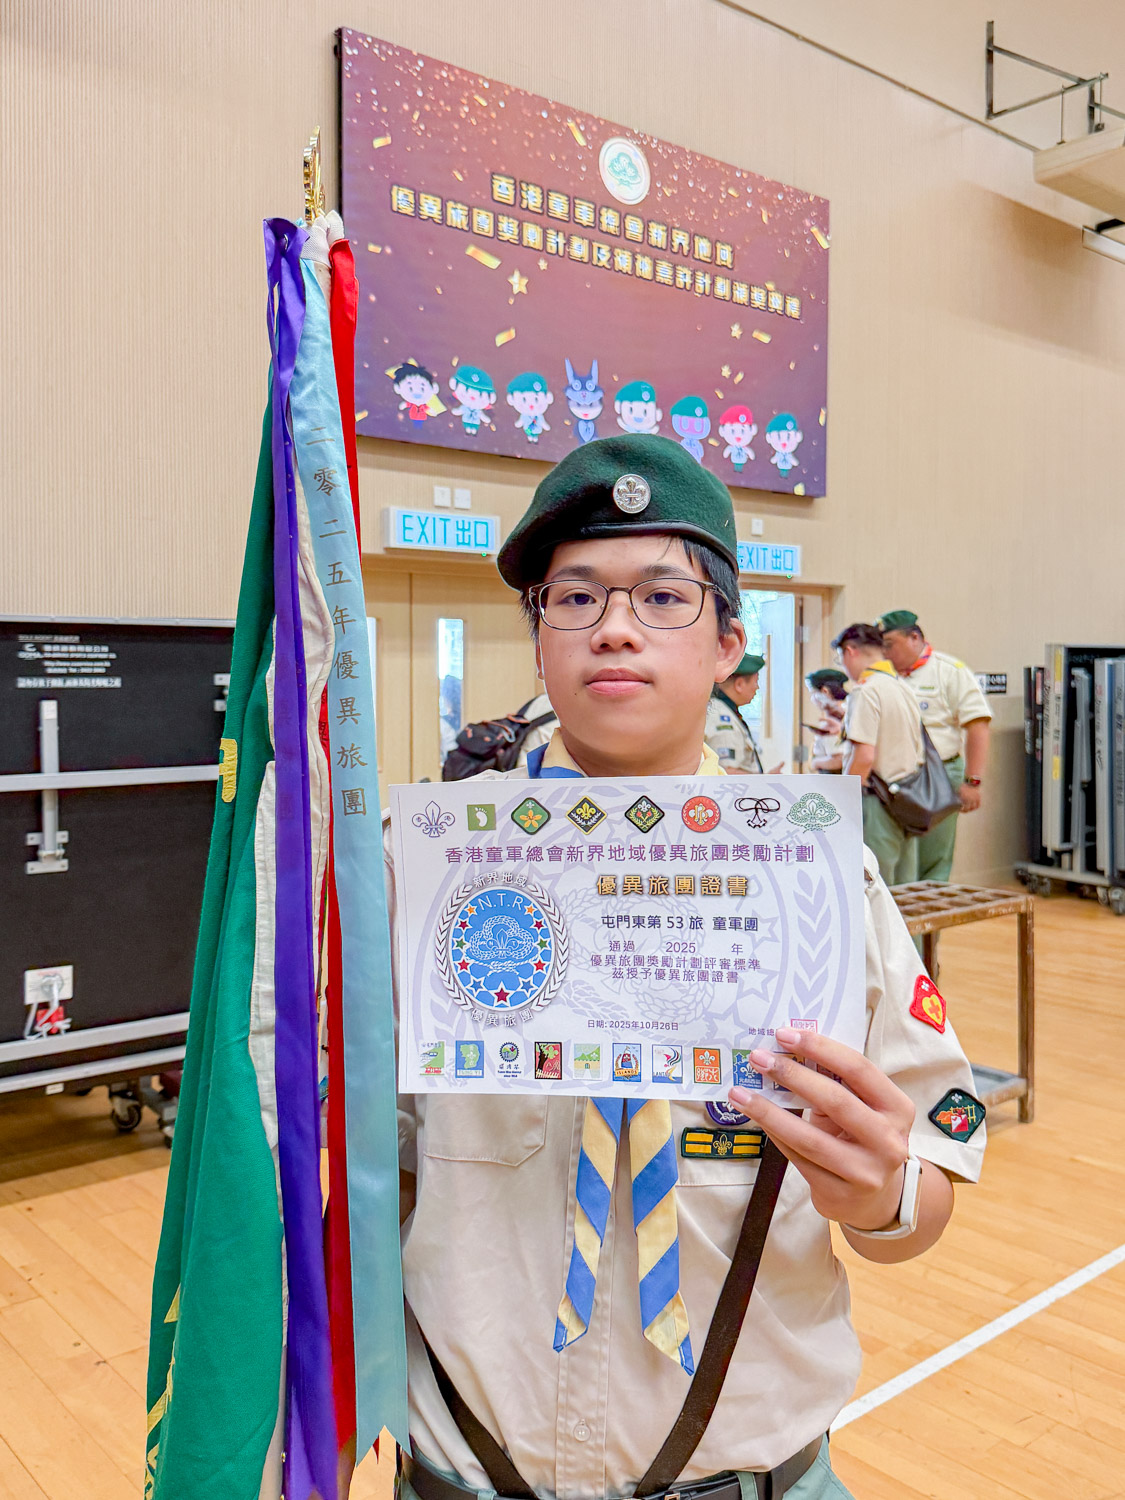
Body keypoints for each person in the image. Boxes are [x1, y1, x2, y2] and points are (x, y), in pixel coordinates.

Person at [392, 437, 985, 1500]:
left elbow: (928, 1188)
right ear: (538, 641)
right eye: (574, 596)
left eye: (663, 596)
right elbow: (370, 1166)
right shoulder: (423, 871)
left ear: (726, 644)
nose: (614, 626)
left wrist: (880, 1196)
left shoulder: (819, 880)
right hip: (459, 1477)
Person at [877, 609, 992, 883]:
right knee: (895, 856)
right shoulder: (882, 676)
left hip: (939, 774)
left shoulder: (949, 672)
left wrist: (973, 781)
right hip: (893, 778)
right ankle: (897, 911)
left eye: (890, 644)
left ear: (914, 638)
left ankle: (928, 911)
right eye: (881, 646)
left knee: (933, 857)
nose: (885, 652)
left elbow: (978, 725)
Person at [832, 622, 924, 887]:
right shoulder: (902, 687)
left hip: (877, 801)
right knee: (905, 890)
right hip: (907, 798)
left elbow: (864, 756)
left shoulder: (866, 691)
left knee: (875, 888)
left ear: (850, 651)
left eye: (841, 659)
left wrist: (844, 802)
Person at [704, 652, 768, 773]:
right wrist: (763, 780)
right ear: (739, 684)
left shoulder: (724, 710)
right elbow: (727, 772)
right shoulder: (721, 717)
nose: (757, 688)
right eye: (756, 681)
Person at [805, 667, 848, 773]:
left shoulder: (837, 717)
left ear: (825, 691)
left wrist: (815, 763)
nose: (812, 699)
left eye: (813, 693)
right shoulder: (847, 709)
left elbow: (840, 760)